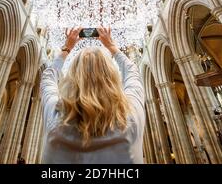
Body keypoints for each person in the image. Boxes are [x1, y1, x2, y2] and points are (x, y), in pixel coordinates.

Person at [40, 27, 145, 164]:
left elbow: (48, 77)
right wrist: (111, 46)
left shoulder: (54, 114)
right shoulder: (131, 114)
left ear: (72, 77)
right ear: (112, 76)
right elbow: (132, 72)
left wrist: (67, 48)